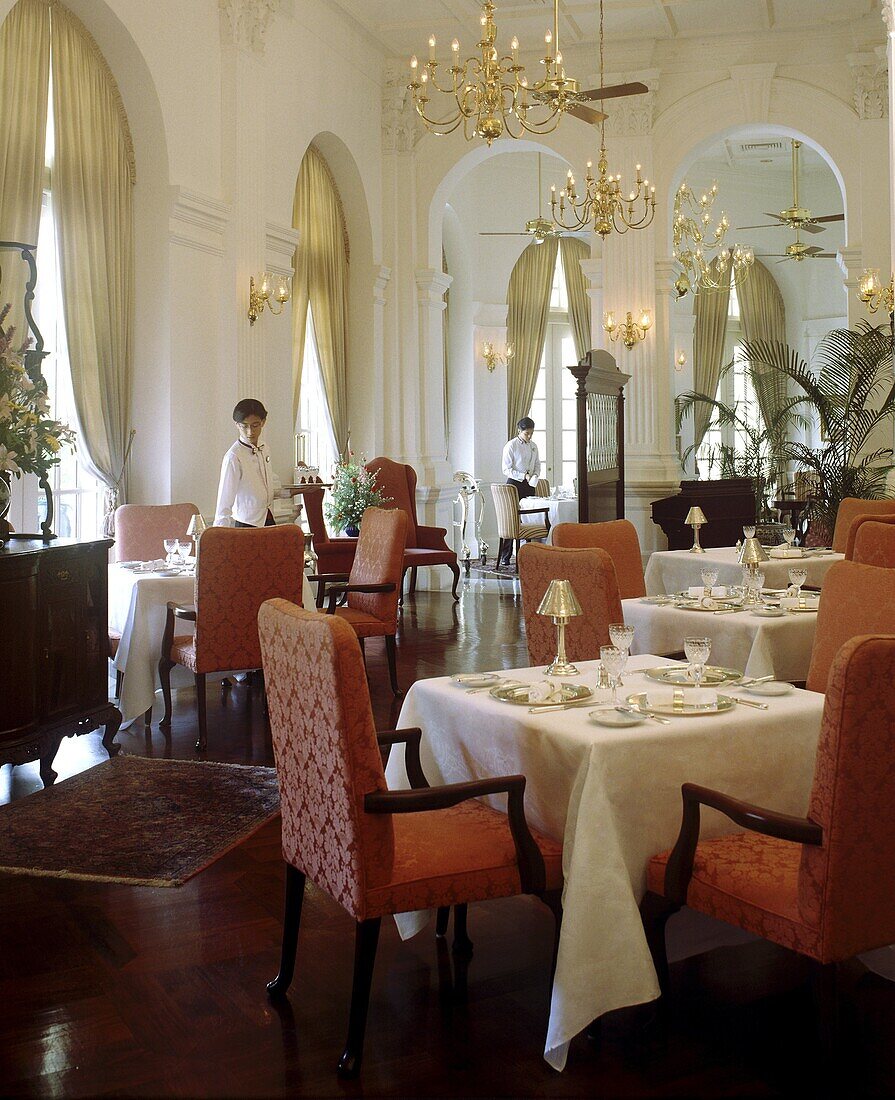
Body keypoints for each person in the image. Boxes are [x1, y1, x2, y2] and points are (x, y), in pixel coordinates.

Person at [214, 398, 277, 527]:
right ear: (237, 425)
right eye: (244, 426)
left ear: (263, 422)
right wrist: (218, 536)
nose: (250, 432)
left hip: (268, 518)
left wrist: (293, 491)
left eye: (255, 425)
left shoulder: (264, 448)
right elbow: (224, 502)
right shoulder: (234, 456)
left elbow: (266, 487)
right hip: (247, 523)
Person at [499, 416, 541, 566]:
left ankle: (529, 553)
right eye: (526, 433)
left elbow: (537, 464)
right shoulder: (510, 446)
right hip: (514, 484)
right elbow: (506, 469)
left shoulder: (534, 446)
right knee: (512, 518)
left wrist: (535, 475)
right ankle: (506, 555)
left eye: (531, 433)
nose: (529, 436)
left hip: (529, 484)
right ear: (519, 431)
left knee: (530, 516)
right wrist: (523, 475)